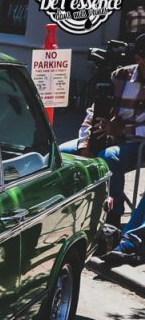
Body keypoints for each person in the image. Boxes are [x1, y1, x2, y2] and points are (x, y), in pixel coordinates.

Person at [60, 34, 145, 235]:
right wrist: (85, 144)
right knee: (63, 154)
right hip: (111, 136)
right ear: (138, 58)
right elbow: (94, 111)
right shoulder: (121, 76)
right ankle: (72, 212)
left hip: (138, 142)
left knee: (109, 157)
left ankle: (112, 218)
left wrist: (123, 130)